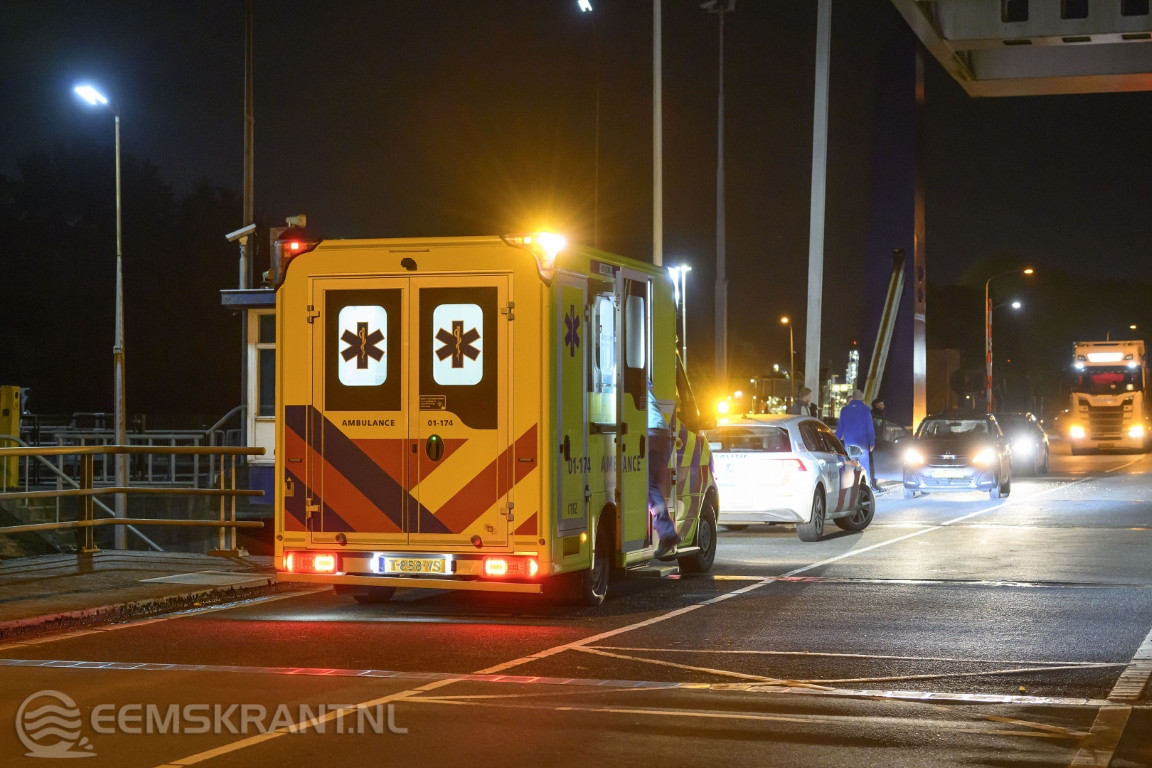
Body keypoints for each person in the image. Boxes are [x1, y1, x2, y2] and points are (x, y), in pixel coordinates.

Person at [648, 378, 679, 558]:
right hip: (659, 430)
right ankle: (667, 532)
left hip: (650, 431)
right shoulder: (646, 380)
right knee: (652, 487)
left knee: (649, 488)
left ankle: (667, 533)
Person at [836, 389, 876, 489]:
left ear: (853, 398)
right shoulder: (866, 410)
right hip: (862, 443)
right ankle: (866, 487)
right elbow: (870, 427)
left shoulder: (844, 410)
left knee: (849, 468)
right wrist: (872, 442)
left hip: (849, 444)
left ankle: (848, 488)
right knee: (864, 467)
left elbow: (840, 428)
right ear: (861, 398)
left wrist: (836, 442)